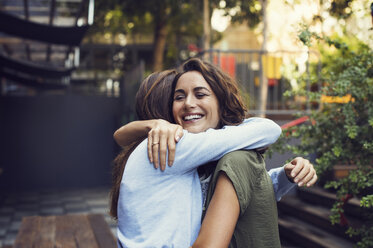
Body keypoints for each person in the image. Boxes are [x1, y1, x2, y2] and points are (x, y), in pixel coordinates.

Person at [112, 59, 316, 247]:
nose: (188, 104)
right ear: (167, 111)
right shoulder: (171, 147)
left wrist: (285, 176)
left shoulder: (164, 154)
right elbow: (269, 130)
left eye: (200, 94)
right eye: (178, 97)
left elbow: (223, 190)